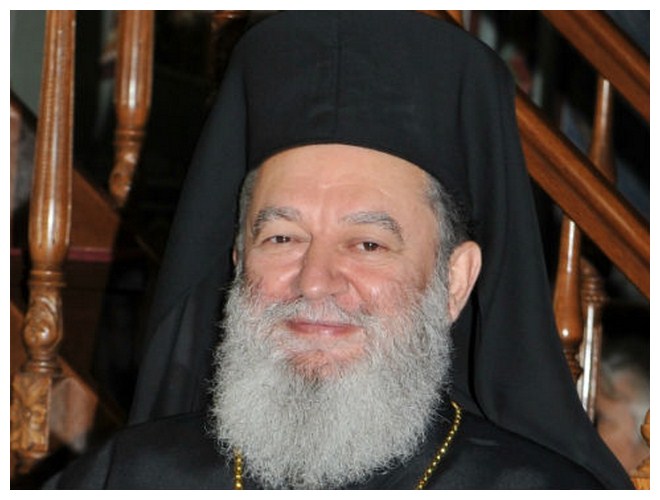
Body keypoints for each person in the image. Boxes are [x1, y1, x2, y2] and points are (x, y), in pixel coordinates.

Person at [47, 11, 633, 489]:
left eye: (368, 243)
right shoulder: (125, 478)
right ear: (237, 260)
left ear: (454, 281)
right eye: (282, 237)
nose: (314, 281)